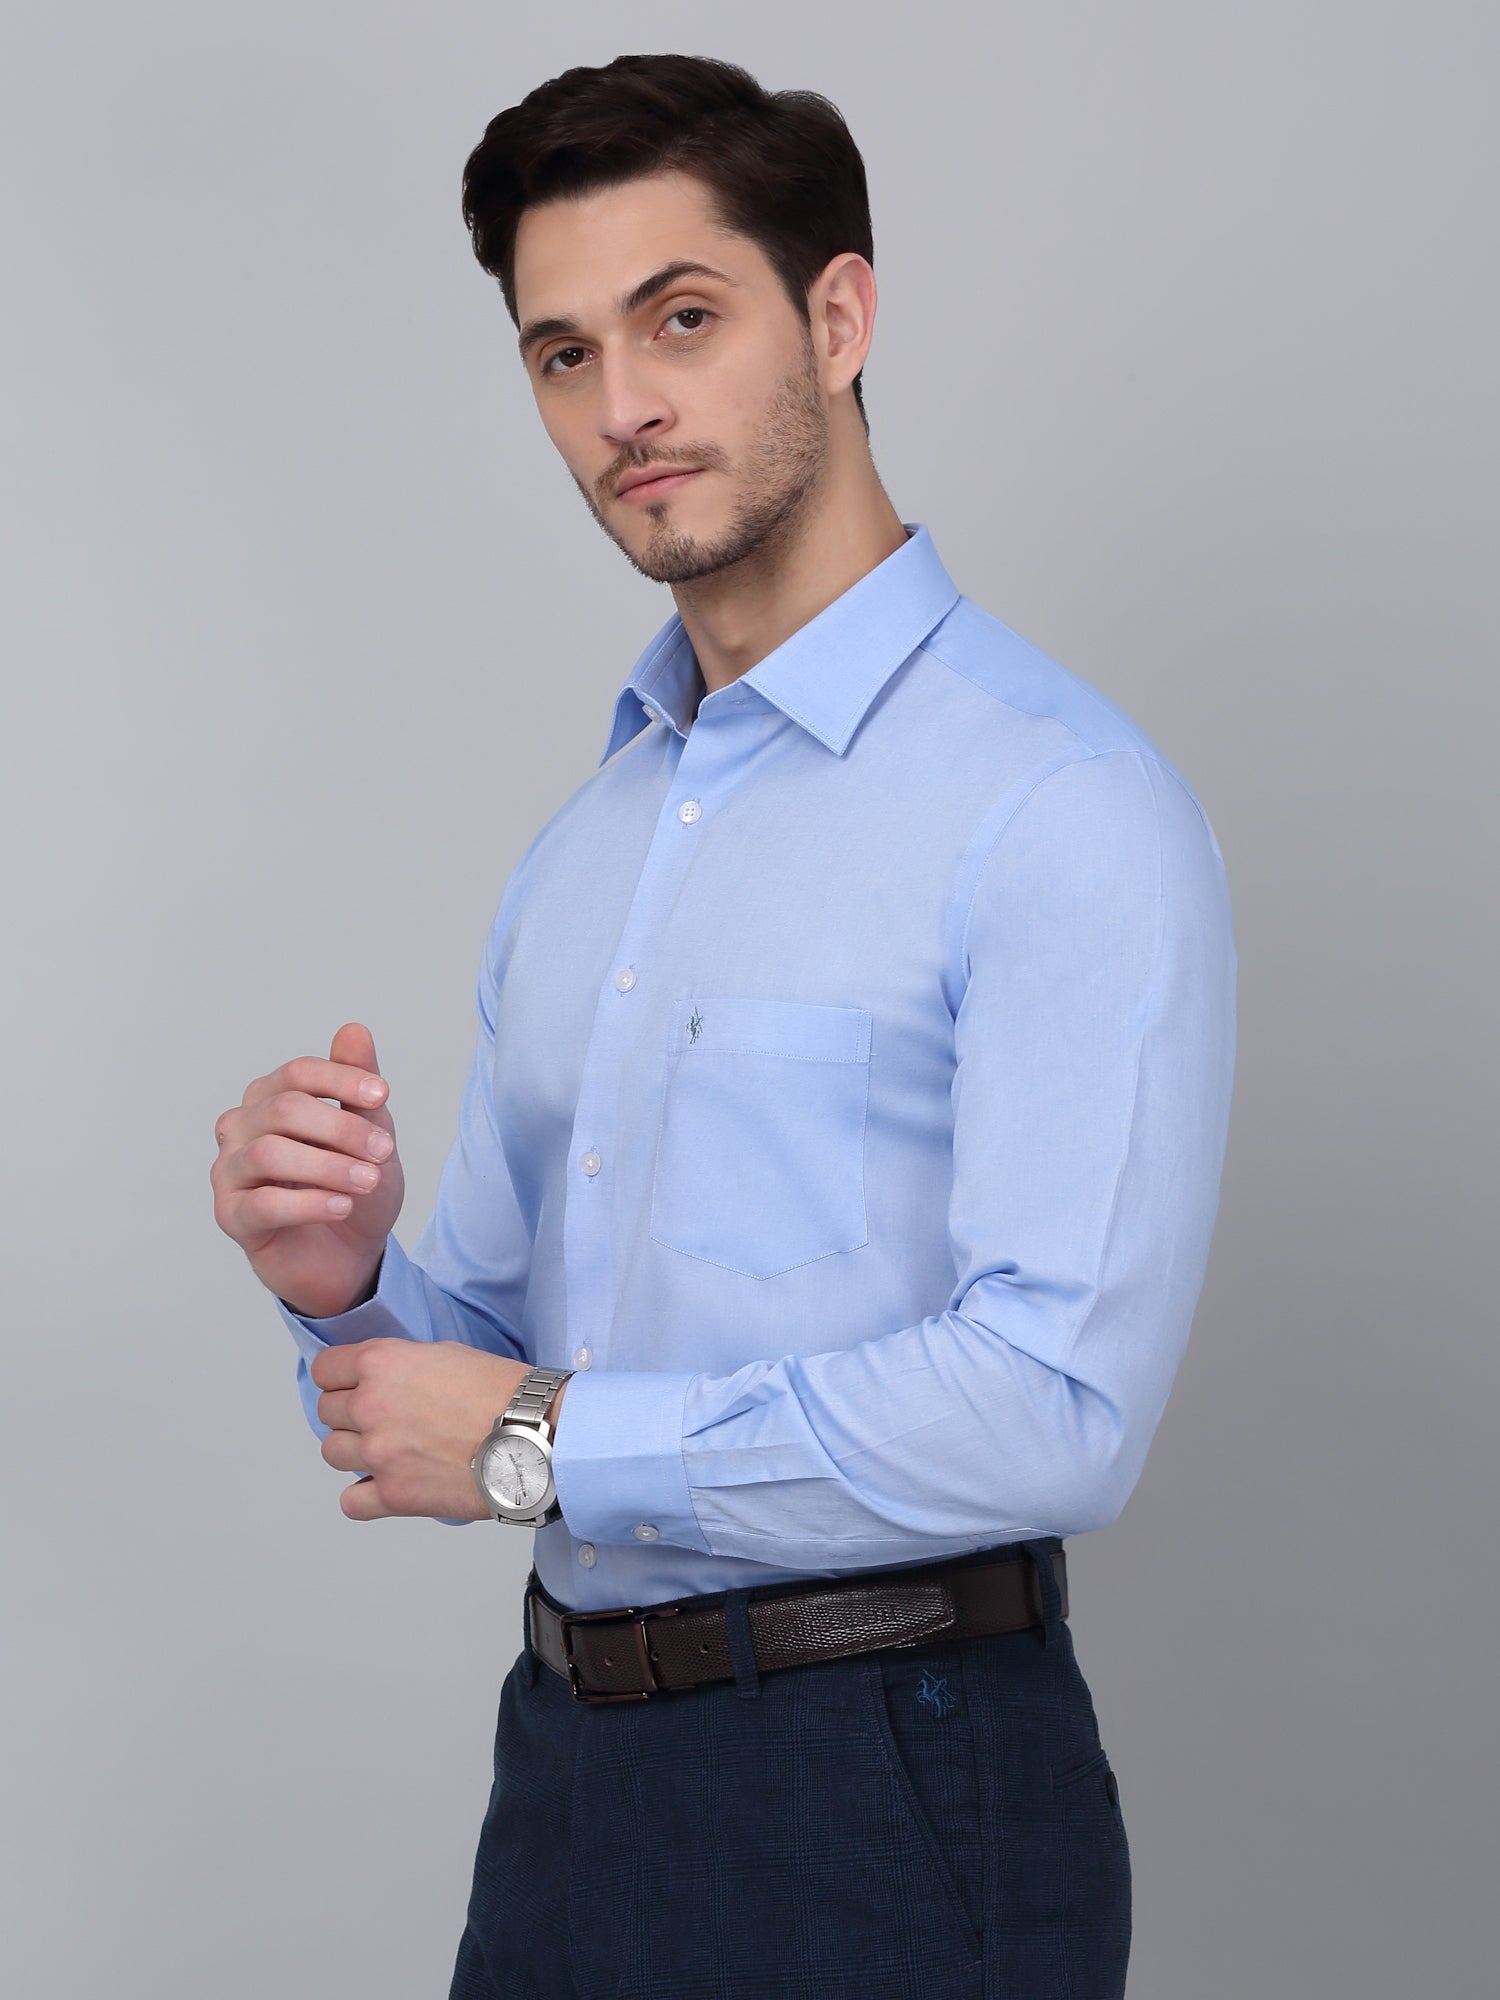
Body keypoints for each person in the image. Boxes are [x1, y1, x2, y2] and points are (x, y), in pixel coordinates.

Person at [210, 51, 1236, 2000]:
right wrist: (346, 1285)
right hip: (567, 1769)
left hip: (886, 1774)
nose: (623, 407)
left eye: (681, 318)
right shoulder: (587, 850)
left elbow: (1056, 1410)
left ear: (837, 320)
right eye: (563, 354)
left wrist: (538, 1440)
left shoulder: (1057, 805)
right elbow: (482, 1378)